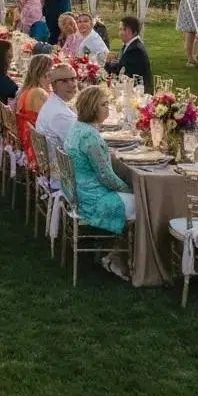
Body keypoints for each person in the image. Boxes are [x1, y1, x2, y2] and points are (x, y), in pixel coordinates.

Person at [63, 85, 134, 278]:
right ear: (93, 108)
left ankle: (111, 249)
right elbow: (106, 177)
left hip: (77, 192)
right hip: (91, 199)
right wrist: (129, 189)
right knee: (143, 204)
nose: (108, 108)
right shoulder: (90, 137)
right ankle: (117, 258)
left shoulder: (77, 128)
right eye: (104, 104)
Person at [35, 63, 77, 174]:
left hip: (54, 168)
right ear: (53, 85)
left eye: (73, 79)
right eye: (64, 81)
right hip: (65, 176)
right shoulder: (61, 115)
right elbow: (81, 148)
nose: (71, 85)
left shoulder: (53, 103)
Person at [15, 54, 52, 163]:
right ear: (45, 72)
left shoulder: (27, 89)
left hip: (27, 138)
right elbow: (51, 120)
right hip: (36, 145)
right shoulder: (39, 93)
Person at [104, 16, 153, 93]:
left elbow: (124, 72)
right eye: (120, 29)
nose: (120, 32)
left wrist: (108, 63)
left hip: (139, 92)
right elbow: (121, 66)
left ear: (134, 32)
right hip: (131, 87)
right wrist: (109, 63)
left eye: (124, 29)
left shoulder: (135, 49)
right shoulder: (129, 45)